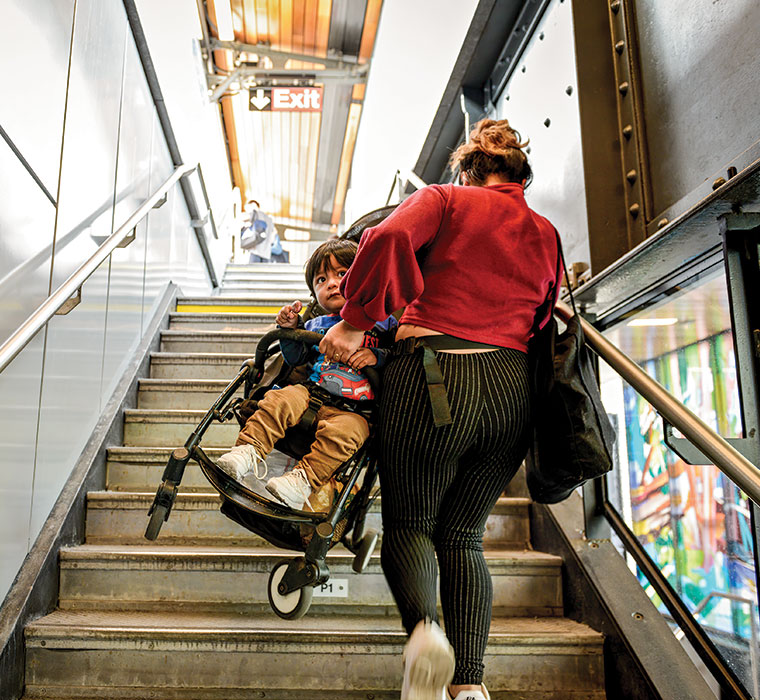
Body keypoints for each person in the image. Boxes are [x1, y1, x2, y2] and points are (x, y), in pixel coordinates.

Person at [318, 119, 562, 700]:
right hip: (510, 390)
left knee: (411, 525)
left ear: (467, 168)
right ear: (520, 174)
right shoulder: (546, 231)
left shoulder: (443, 199)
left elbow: (385, 240)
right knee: (464, 536)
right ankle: (470, 687)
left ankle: (426, 636)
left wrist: (354, 321)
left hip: (434, 375)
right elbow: (545, 311)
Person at [214, 238, 397, 510]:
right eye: (321, 279)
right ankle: (248, 451)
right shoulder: (317, 323)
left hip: (355, 411)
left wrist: (377, 355)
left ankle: (302, 482)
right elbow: (297, 358)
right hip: (311, 394)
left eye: (342, 274)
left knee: (350, 434)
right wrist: (292, 328)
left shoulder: (383, 322)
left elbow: (400, 357)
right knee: (278, 400)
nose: (332, 283)